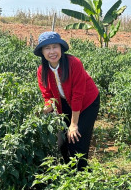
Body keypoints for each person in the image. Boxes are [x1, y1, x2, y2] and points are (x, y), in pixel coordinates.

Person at [34, 31, 100, 171]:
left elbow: (78, 95)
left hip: (87, 102)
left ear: (61, 49)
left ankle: (82, 177)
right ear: (42, 52)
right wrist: (44, 109)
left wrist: (74, 124)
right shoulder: (42, 71)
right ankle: (70, 175)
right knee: (62, 144)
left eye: (54, 47)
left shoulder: (74, 63)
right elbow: (47, 96)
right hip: (64, 103)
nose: (52, 51)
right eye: (47, 48)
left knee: (77, 140)